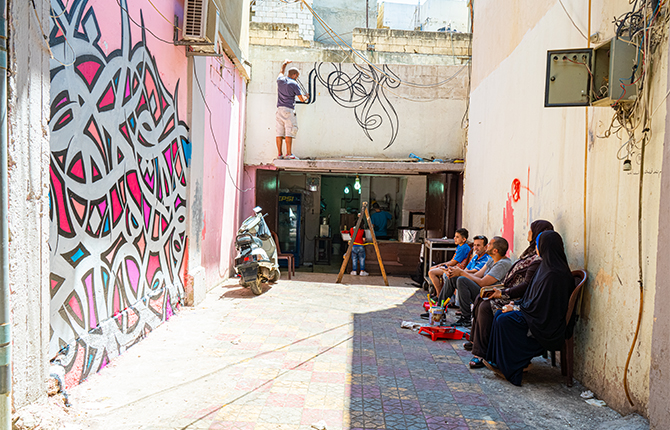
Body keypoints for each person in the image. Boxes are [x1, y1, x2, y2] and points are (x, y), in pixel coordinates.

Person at [484, 230, 575, 386]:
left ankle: (514, 365)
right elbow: (532, 297)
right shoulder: (545, 268)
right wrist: (515, 304)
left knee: (505, 320)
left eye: (539, 245)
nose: (537, 248)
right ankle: (499, 362)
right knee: (500, 314)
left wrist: (517, 309)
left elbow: (543, 306)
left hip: (545, 322)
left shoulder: (554, 274)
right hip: (534, 312)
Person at [466, 220, 554, 369]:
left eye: (531, 230)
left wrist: (502, 294)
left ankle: (481, 353)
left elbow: (526, 286)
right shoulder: (530, 253)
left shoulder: (538, 258)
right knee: (481, 299)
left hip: (518, 297)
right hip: (509, 291)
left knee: (486, 306)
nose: (528, 233)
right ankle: (477, 344)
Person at [449, 236, 513, 327]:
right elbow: (477, 275)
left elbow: (483, 282)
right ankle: (439, 308)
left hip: (488, 293)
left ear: (495, 251)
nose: (487, 246)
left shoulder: (503, 264)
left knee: (462, 280)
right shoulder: (491, 259)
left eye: (490, 244)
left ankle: (466, 318)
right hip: (482, 288)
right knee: (454, 277)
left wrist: (462, 273)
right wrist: (458, 273)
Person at [434, 234, 490, 306]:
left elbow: (475, 272)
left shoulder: (487, 259)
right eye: (475, 245)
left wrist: (459, 272)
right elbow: (466, 270)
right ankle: (439, 307)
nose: (475, 248)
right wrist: (454, 271)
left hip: (477, 283)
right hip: (469, 278)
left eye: (478, 245)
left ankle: (463, 311)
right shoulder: (475, 257)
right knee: (451, 277)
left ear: (485, 247)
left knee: (461, 279)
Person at [276, 60, 309, 160]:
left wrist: (284, 64)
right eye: (297, 75)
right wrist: (306, 97)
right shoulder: (294, 84)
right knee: (289, 132)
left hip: (279, 109)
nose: (297, 77)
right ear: (294, 75)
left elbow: (281, 72)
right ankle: (289, 154)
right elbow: (302, 99)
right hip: (289, 110)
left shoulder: (280, 80)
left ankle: (279, 154)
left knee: (279, 133)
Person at [427, 228, 471, 297]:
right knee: (432, 268)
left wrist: (440, 265)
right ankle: (439, 293)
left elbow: (453, 262)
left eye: (457, 237)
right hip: (453, 267)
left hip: (455, 269)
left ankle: (439, 295)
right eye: (455, 236)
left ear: (464, 239)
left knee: (431, 272)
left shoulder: (463, 248)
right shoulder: (460, 246)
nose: (454, 238)